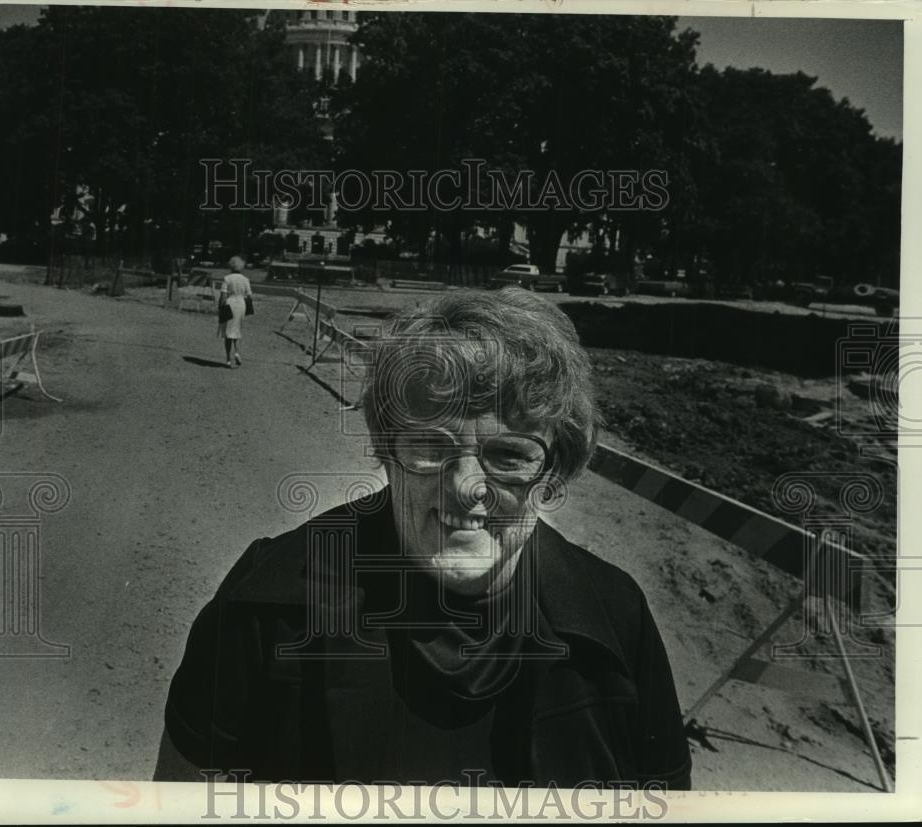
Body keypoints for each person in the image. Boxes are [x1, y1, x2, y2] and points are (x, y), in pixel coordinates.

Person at [157, 287, 691, 789]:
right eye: (430, 446)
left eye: (508, 456)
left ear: (553, 469)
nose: (466, 488)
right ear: (386, 450)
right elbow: (171, 812)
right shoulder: (265, 609)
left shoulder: (619, 622)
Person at [217, 256, 253, 368]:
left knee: (228, 332)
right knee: (237, 330)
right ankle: (237, 352)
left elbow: (223, 296)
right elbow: (250, 296)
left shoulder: (227, 278)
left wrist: (220, 307)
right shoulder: (245, 279)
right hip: (241, 304)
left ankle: (228, 359)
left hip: (230, 303)